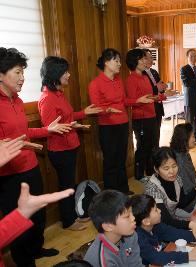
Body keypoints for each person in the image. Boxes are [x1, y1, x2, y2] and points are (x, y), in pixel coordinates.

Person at [0, 47, 72, 265]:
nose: (22, 78)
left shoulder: (18, 100)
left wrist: (47, 131)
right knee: (19, 219)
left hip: (30, 165)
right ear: (1, 75)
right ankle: (25, 261)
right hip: (9, 174)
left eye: (23, 72)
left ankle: (35, 249)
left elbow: (25, 133)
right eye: (17, 72)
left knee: (38, 215)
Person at [38, 56, 102, 231]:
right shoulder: (47, 98)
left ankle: (73, 216)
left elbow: (67, 117)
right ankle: (68, 221)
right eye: (65, 72)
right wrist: (71, 125)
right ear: (55, 74)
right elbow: (52, 127)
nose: (69, 75)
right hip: (60, 149)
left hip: (70, 146)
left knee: (69, 183)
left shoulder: (58, 94)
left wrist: (82, 114)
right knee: (65, 186)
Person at [142, 147, 196, 241]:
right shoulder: (152, 189)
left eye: (174, 166)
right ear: (156, 169)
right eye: (166, 168)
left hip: (173, 220)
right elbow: (165, 220)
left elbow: (181, 203)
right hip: (158, 228)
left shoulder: (177, 179)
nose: (171, 171)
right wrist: (190, 224)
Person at [88, 48, 134, 193]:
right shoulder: (95, 83)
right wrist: (107, 110)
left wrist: (137, 100)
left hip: (123, 123)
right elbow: (95, 108)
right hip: (108, 127)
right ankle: (112, 195)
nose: (120, 64)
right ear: (106, 62)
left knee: (121, 159)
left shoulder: (118, 80)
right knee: (110, 162)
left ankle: (123, 189)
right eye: (117, 61)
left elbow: (124, 101)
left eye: (120, 61)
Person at [131, 194, 196, 266]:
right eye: (155, 210)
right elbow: (156, 258)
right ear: (146, 221)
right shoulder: (138, 239)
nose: (160, 210)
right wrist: (188, 256)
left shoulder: (156, 225)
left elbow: (174, 233)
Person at [126, 48, 164, 180]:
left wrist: (161, 97)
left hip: (151, 115)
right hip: (141, 118)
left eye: (145, 58)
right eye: (142, 59)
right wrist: (139, 100)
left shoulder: (144, 76)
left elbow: (150, 96)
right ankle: (139, 174)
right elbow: (132, 100)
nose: (145, 61)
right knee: (143, 147)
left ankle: (150, 172)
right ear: (134, 62)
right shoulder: (131, 79)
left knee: (153, 145)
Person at [84, 190, 143, 267]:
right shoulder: (103, 260)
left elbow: (136, 264)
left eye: (132, 213)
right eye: (127, 216)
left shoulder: (131, 235)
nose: (133, 218)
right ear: (108, 226)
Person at [142, 49, 170, 148]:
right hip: (148, 108)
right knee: (148, 139)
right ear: (141, 60)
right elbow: (146, 91)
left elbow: (160, 87)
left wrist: (163, 87)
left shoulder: (154, 71)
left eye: (151, 57)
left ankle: (155, 155)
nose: (150, 60)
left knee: (156, 134)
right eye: (147, 58)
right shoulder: (140, 73)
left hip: (157, 107)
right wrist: (157, 88)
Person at [170, 123, 196, 196]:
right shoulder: (179, 161)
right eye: (192, 136)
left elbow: (193, 177)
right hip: (188, 201)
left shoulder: (184, 153)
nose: (194, 139)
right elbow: (187, 191)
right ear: (184, 138)